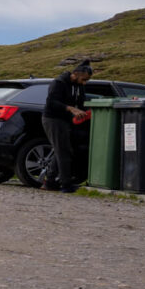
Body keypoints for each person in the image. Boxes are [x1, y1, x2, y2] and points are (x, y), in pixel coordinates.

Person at [41, 61, 93, 191]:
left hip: (65, 120)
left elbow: (81, 103)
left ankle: (50, 182)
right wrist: (70, 109)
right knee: (64, 151)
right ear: (75, 74)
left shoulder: (79, 86)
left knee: (61, 149)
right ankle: (66, 184)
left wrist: (84, 111)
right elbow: (51, 102)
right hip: (52, 119)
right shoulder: (59, 83)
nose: (84, 83)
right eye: (84, 79)